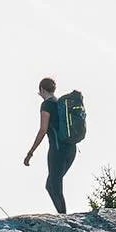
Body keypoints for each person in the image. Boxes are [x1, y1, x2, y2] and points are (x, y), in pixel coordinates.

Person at [23, 76, 76, 214]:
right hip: (71, 149)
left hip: (57, 150)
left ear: (41, 89)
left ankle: (65, 219)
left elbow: (43, 130)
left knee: (55, 186)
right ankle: (63, 215)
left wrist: (30, 152)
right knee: (51, 185)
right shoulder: (60, 103)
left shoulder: (47, 105)